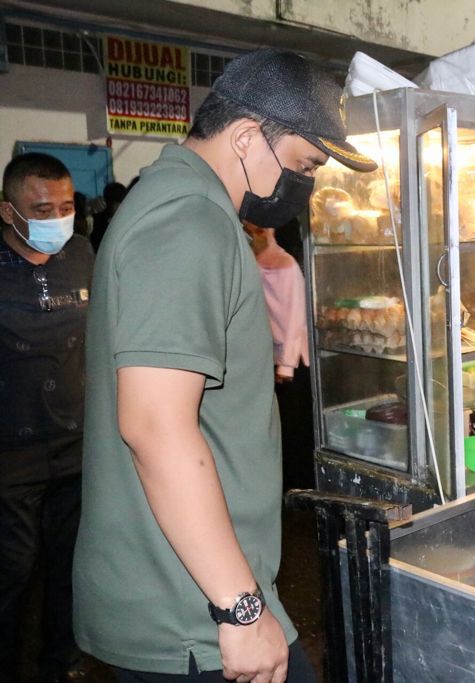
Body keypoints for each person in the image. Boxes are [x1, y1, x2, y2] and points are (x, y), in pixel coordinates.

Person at [73, 48, 376, 681]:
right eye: (303, 164)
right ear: (245, 137)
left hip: (194, 591)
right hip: (192, 611)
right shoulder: (190, 224)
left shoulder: (179, 205)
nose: (304, 185)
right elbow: (155, 428)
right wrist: (240, 609)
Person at [0, 153, 93, 682]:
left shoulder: (81, 253)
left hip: (75, 444)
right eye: (41, 209)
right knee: (11, 571)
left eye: (65, 207)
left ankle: (60, 664)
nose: (57, 219)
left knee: (71, 565)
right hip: (10, 453)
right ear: (8, 211)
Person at [243, 222, 309, 384]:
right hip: (268, 355)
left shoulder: (286, 265)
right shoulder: (253, 264)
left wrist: (286, 366)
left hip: (293, 360)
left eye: (258, 231)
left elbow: (295, 318)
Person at [88, 181, 128, 252]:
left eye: (116, 202)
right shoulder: (95, 221)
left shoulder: (127, 221)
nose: (113, 206)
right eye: (110, 201)